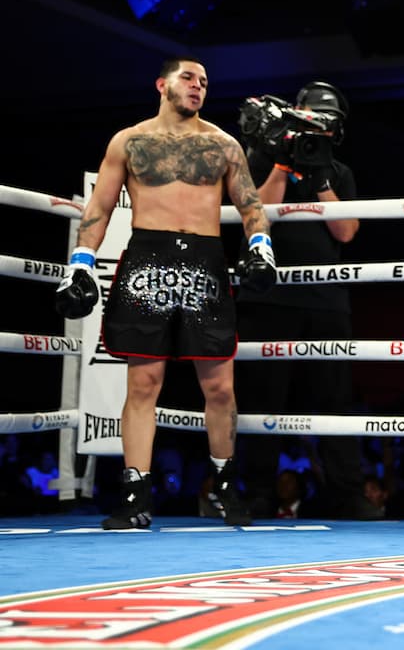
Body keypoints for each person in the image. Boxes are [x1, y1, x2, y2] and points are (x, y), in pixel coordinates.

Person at [54, 55, 275, 530]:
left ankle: (224, 488)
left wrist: (261, 245)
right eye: (189, 78)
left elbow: (252, 206)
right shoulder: (129, 142)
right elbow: (100, 208)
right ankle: (135, 497)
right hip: (147, 259)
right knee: (143, 384)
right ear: (162, 84)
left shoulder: (223, 145)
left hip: (205, 261)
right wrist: (81, 264)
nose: (199, 87)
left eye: (205, 82)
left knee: (219, 386)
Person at [234, 81, 372, 520]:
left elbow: (346, 231)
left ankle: (347, 495)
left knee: (334, 399)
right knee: (262, 398)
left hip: (326, 301)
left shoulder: (339, 170)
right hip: (269, 296)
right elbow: (259, 219)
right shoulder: (258, 158)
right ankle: (257, 492)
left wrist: (319, 178)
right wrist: (281, 162)